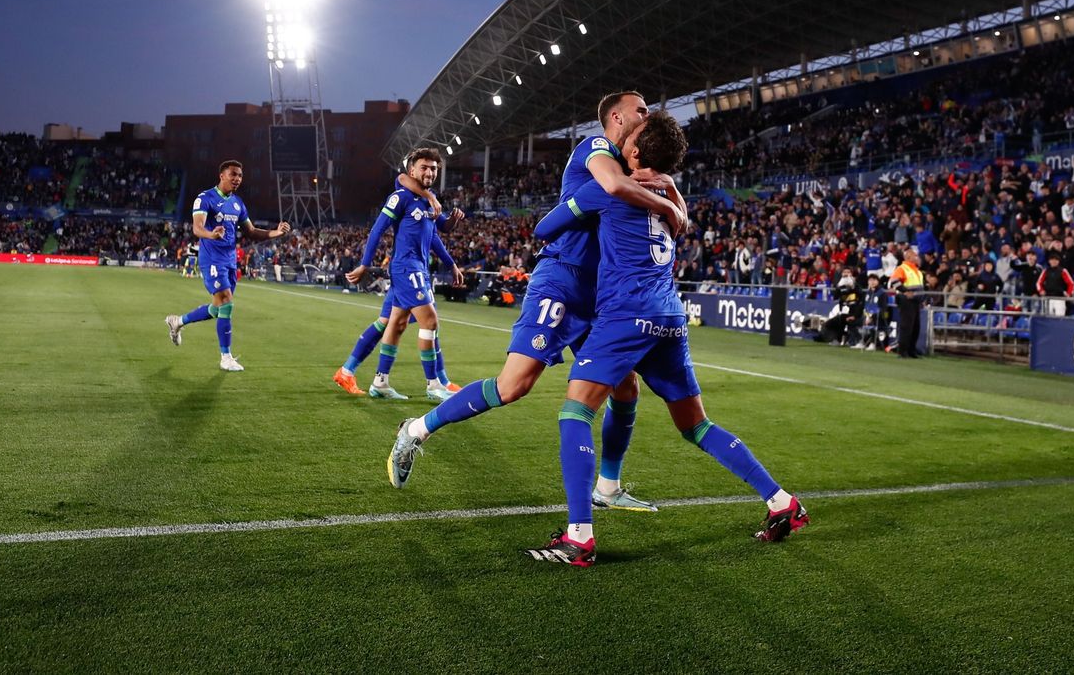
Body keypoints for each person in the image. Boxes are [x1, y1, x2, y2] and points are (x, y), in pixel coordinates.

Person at [520, 113, 806, 566]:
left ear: (633, 151)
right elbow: (680, 219)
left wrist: (584, 212)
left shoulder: (605, 188)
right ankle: (781, 501)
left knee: (575, 411)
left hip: (625, 315)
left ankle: (579, 538)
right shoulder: (672, 193)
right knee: (697, 426)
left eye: (629, 137)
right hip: (671, 316)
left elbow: (543, 229)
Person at [384, 91, 686, 512]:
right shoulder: (597, 148)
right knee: (514, 385)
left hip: (598, 292)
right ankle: (415, 430)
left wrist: (670, 194)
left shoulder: (629, 167)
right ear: (616, 116)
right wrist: (673, 208)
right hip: (562, 279)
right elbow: (612, 189)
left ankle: (609, 487)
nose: (647, 115)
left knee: (626, 388)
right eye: (640, 110)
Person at [344, 150, 465, 401]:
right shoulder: (402, 197)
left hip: (418, 268)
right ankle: (434, 385)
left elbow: (436, 232)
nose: (429, 172)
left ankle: (380, 382)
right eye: (424, 167)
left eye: (433, 168)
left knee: (395, 323)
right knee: (430, 322)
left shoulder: (427, 203)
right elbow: (377, 229)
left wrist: (452, 259)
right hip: (406, 268)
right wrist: (365, 264)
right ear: (412, 171)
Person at [163, 160, 292, 371]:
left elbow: (251, 231)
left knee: (217, 309)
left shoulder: (238, 203)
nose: (237, 179)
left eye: (240, 175)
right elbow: (197, 228)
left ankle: (178, 322)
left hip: (230, 261)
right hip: (212, 259)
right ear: (222, 175)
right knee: (227, 303)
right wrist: (210, 234)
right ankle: (226, 357)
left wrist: (275, 233)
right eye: (233, 174)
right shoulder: (205, 198)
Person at [888, 246, 925, 357]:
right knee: (906, 327)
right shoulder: (902, 268)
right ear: (909, 257)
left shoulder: (917, 270)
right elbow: (894, 282)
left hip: (916, 301)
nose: (917, 257)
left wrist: (922, 299)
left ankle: (911, 350)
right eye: (915, 255)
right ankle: (902, 351)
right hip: (906, 301)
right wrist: (905, 291)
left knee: (915, 327)